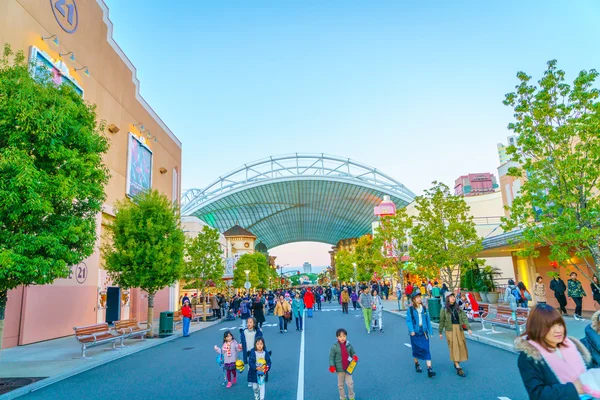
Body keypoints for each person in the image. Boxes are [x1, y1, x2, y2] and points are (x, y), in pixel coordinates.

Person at [516, 304, 594, 399]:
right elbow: (537, 394)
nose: (558, 330)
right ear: (537, 328)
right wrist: (573, 388)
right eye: (550, 326)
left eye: (560, 324)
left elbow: (589, 371)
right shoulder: (530, 356)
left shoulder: (572, 345)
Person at [439, 292, 472, 377]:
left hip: (459, 329)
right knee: (454, 347)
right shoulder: (444, 309)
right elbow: (442, 321)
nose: (453, 298)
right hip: (450, 330)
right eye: (450, 297)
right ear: (447, 299)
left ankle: (457, 361)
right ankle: (457, 366)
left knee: (461, 346)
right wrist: (440, 332)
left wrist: (468, 328)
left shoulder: (458, 308)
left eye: (453, 296)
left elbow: (464, 318)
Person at [406, 292, 436, 378]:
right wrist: (411, 330)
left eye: (420, 297)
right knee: (416, 350)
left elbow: (428, 320)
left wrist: (430, 331)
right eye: (417, 297)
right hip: (415, 333)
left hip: (424, 332)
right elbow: (408, 321)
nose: (420, 299)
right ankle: (417, 364)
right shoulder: (411, 310)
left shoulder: (424, 309)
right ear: (414, 300)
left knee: (426, 349)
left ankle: (429, 369)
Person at [329, 328, 358, 400]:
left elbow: (353, 352)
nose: (342, 338)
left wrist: (354, 356)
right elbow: (331, 357)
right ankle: (342, 397)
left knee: (350, 384)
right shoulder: (334, 347)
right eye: (340, 336)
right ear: (337, 337)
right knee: (340, 385)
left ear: (346, 336)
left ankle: (351, 397)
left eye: (344, 336)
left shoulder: (349, 345)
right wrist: (332, 366)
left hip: (348, 368)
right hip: (340, 369)